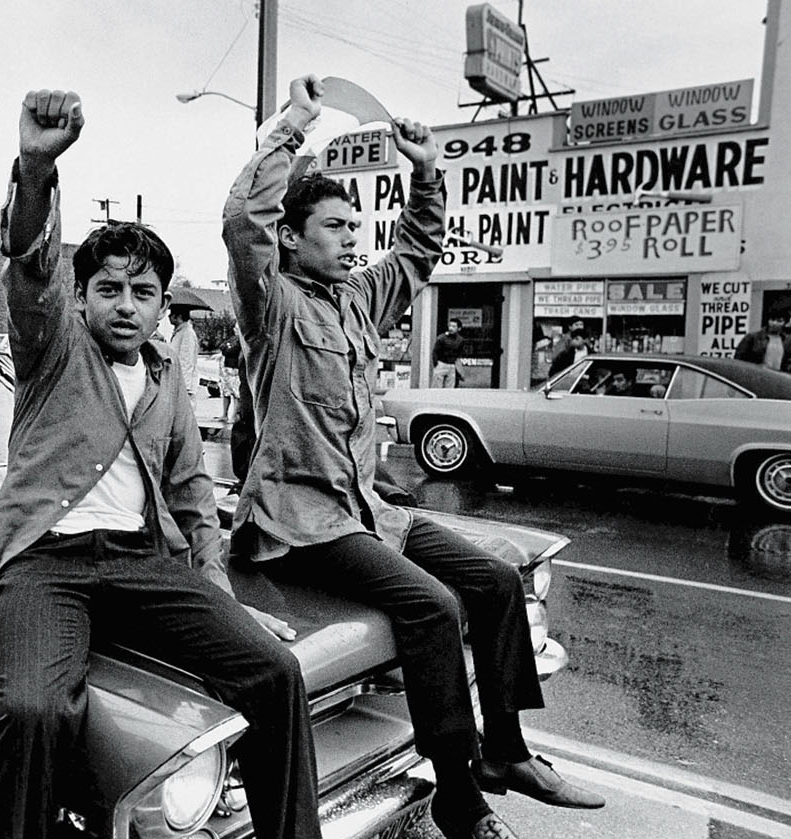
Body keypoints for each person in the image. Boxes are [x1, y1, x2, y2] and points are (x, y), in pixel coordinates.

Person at [222, 74, 603, 839]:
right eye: (334, 226)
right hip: (300, 519)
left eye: (354, 225)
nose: (351, 238)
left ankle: (508, 752)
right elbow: (241, 222)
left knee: (495, 580)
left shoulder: (358, 298)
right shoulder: (271, 304)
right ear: (291, 237)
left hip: (369, 509)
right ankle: (459, 796)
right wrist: (293, 124)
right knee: (432, 605)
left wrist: (426, 169)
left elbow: (418, 249)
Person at [0, 87, 318, 839]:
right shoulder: (52, 348)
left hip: (140, 563)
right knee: (33, 710)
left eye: (143, 292)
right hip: (42, 564)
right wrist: (35, 167)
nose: (126, 304)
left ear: (162, 307)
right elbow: (28, 264)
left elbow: (193, 498)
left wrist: (221, 599)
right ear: (82, 297)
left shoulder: (167, 379)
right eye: (109, 289)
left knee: (274, 671)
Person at [167, 303, 199, 405]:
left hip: (184, 384)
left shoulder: (187, 333)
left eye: (172, 314)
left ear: (179, 317)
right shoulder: (179, 332)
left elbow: (186, 360)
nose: (169, 317)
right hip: (176, 379)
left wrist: (184, 385)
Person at [431, 317, 465, 388]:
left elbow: (459, 353)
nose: (451, 328)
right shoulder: (442, 338)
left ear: (459, 328)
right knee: (436, 387)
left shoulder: (460, 340)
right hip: (441, 364)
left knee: (450, 388)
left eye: (454, 326)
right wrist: (436, 364)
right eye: (450, 326)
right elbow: (435, 351)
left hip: (451, 365)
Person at [217, 327, 242, 422]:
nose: (235, 329)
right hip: (226, 368)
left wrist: (227, 348)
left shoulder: (241, 341)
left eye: (237, 327)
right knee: (226, 392)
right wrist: (227, 347)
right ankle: (224, 414)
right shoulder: (232, 339)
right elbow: (222, 346)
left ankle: (234, 416)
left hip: (235, 369)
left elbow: (232, 350)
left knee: (236, 394)